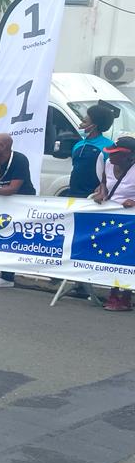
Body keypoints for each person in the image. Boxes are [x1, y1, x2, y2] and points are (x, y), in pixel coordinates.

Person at [0, 133, 36, 288]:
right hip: (1, 202)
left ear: (2, 147)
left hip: (21, 203)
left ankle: (8, 276)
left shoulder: (19, 159)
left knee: (13, 239)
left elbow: (14, 188)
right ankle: (5, 276)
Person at [93, 136, 135, 310]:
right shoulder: (109, 164)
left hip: (131, 220)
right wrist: (101, 192)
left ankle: (125, 297)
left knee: (127, 258)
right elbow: (104, 183)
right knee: (114, 257)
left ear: (129, 156)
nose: (111, 156)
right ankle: (113, 293)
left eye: (116, 154)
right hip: (112, 217)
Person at [69, 103, 115, 198]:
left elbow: (114, 174)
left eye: (84, 122)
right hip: (73, 195)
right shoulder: (78, 145)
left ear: (94, 125)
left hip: (94, 198)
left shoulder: (108, 146)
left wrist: (103, 187)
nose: (80, 125)